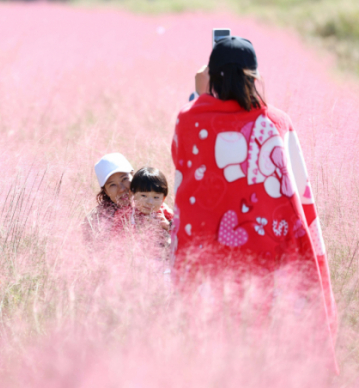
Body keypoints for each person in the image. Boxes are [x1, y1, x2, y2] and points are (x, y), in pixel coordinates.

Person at [170, 36, 338, 369]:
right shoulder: (276, 122)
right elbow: (299, 190)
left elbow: (182, 172)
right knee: (269, 353)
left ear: (212, 75)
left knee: (215, 352)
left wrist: (202, 94)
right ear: (255, 76)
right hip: (271, 256)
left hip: (209, 260)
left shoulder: (189, 121)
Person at [113, 167, 174, 252]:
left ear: (163, 199)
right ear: (132, 194)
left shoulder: (164, 211)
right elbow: (116, 239)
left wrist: (168, 226)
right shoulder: (124, 214)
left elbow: (181, 233)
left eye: (156, 197)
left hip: (162, 258)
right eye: (143, 196)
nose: (150, 202)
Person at [83, 153, 134, 243]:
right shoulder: (96, 221)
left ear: (133, 176)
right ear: (105, 191)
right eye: (112, 184)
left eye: (124, 179)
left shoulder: (152, 202)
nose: (122, 189)